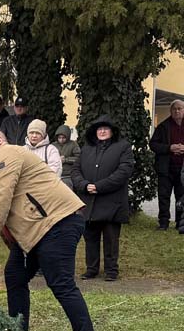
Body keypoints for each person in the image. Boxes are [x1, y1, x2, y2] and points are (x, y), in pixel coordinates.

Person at [0, 129, 98, 331]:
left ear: (0, 140)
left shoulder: (8, 154)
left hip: (56, 222)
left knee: (61, 283)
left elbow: (1, 201)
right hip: (37, 231)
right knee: (14, 275)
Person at [71, 116, 134, 282]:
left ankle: (111, 270)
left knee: (111, 238)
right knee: (90, 237)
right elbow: (75, 170)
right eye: (99, 129)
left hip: (112, 202)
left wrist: (99, 186)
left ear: (112, 131)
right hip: (89, 202)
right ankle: (91, 269)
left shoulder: (123, 147)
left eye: (106, 128)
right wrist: (84, 185)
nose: (102, 131)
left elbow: (124, 172)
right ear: (95, 131)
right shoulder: (87, 149)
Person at [149, 99, 184, 231]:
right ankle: (163, 223)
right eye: (174, 109)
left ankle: (180, 223)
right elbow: (153, 145)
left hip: (182, 169)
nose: (177, 111)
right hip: (166, 168)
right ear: (171, 111)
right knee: (164, 196)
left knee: (181, 196)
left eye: (180, 108)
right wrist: (170, 148)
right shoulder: (163, 126)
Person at [54, 125, 81, 190]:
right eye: (59, 137)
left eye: (63, 138)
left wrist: (66, 160)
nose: (61, 140)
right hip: (55, 174)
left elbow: (79, 158)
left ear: (68, 137)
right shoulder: (53, 145)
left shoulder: (73, 144)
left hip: (68, 175)